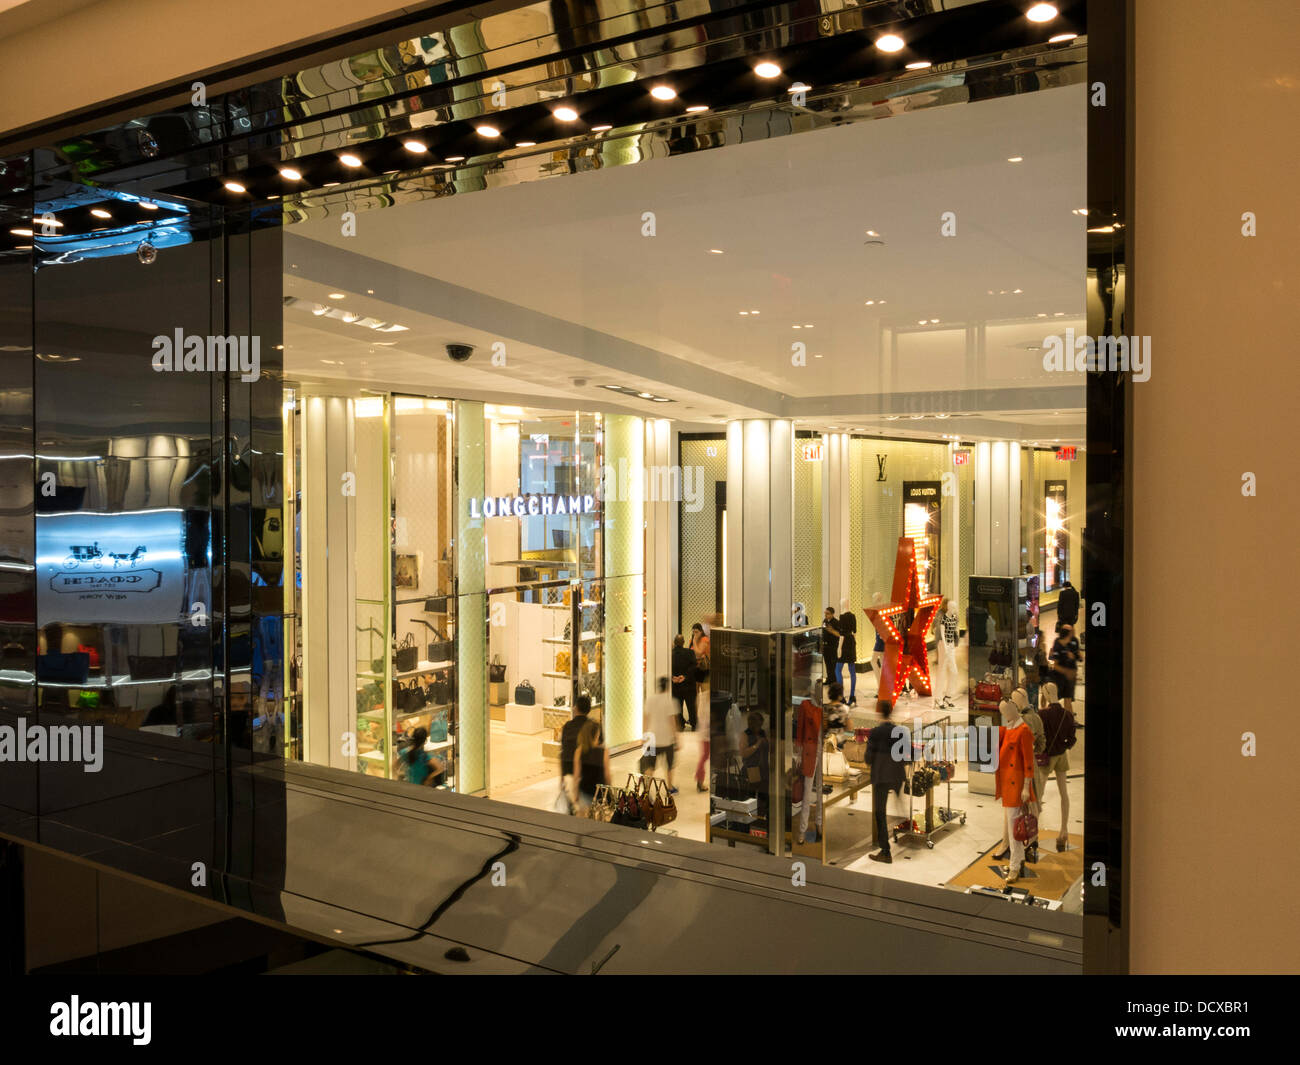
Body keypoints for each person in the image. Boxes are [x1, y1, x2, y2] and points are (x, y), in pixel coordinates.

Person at [992, 698, 1038, 883]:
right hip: (1008, 781)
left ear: (1014, 709)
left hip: (1017, 785)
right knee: (1013, 825)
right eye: (1002, 711)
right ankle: (1017, 860)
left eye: (1006, 710)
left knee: (1014, 828)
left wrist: (1026, 786)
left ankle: (1014, 867)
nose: (1005, 714)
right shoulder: (1010, 728)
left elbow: (1028, 761)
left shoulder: (1023, 731)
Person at [1038, 682, 1078, 852]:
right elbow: (1072, 738)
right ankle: (1064, 830)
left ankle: (1033, 834)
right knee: (1064, 793)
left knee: (1039, 795)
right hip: (1062, 755)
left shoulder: (1042, 714)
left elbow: (1040, 738)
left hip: (1047, 757)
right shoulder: (1066, 714)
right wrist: (1064, 746)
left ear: (1046, 694)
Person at [866, 699, 907, 864]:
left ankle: (885, 851)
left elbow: (869, 757)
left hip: (881, 776)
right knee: (899, 806)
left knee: (880, 813)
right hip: (896, 774)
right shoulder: (900, 731)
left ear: (879, 712)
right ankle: (904, 828)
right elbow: (905, 755)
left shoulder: (875, 733)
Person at [1011, 687, 1046, 863]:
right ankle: (1033, 841)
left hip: (1022, 767)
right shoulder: (1037, 717)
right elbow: (1042, 743)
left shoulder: (1022, 720)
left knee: (1022, 804)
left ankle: (1025, 843)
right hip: (1032, 764)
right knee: (1035, 804)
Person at [642, 676, 679, 792]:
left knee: (650, 765)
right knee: (669, 764)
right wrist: (676, 738)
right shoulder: (670, 701)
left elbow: (645, 718)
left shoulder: (650, 700)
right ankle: (669, 787)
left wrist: (644, 736)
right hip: (666, 739)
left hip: (652, 739)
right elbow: (672, 721)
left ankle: (647, 790)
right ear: (667, 687)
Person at [558, 694, 592, 811]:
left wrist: (561, 777)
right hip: (584, 766)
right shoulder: (592, 726)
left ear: (576, 708)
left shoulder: (567, 726)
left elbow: (563, 750)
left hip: (567, 765)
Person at [573, 717, 611, 815]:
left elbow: (576, 777)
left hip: (584, 790)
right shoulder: (604, 752)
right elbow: (607, 775)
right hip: (599, 793)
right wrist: (609, 791)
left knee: (583, 820)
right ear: (595, 735)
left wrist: (575, 794)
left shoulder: (579, 751)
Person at [934, 597, 960, 709]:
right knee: (942, 671)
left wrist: (953, 645)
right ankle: (938, 698)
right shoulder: (943, 618)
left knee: (954, 671)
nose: (955, 609)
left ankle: (948, 696)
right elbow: (943, 634)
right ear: (949, 608)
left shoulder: (954, 618)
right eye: (953, 607)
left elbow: (954, 632)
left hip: (951, 646)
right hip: (943, 645)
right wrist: (945, 647)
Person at [1049, 624, 1081, 713]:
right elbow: (1055, 665)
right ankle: (1056, 720)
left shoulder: (1074, 641)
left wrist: (1075, 656)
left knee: (1068, 699)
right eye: (1071, 630)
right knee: (1054, 699)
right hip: (1060, 676)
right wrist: (1067, 672)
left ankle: (1069, 722)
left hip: (1070, 677)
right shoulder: (1057, 643)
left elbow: (1079, 656)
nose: (1073, 631)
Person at [670, 634, 698, 731]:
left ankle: (681, 725)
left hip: (675, 685)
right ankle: (694, 725)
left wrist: (673, 677)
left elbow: (667, 668)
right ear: (683, 642)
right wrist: (685, 676)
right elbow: (694, 667)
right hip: (689, 685)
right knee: (691, 707)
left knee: (678, 707)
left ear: (674, 642)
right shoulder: (690, 653)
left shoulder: (670, 654)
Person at [839, 610, 859, 706]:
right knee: (852, 671)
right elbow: (855, 631)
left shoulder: (842, 617)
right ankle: (852, 696)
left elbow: (841, 634)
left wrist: (839, 648)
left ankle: (841, 697)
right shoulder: (853, 616)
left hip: (844, 643)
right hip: (851, 641)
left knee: (837, 669)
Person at [821, 608, 841, 684]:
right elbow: (823, 630)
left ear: (832, 614)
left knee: (834, 664)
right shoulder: (824, 621)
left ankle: (835, 680)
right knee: (827, 663)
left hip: (833, 646)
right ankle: (829, 679)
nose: (826, 615)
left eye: (828, 613)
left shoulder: (836, 622)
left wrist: (832, 631)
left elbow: (839, 634)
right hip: (825, 646)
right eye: (825, 613)